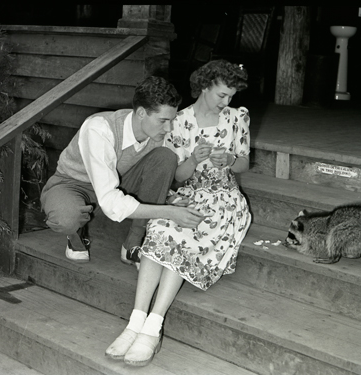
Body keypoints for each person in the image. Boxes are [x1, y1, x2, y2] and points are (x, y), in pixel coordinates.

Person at [105, 60, 252, 367]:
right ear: (205, 86)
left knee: (185, 236)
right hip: (190, 191)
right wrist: (193, 161)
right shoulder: (180, 121)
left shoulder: (238, 118)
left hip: (224, 198)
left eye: (231, 96)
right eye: (222, 95)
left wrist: (228, 160)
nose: (227, 102)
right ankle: (135, 322)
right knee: (162, 229)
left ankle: (152, 328)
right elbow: (180, 176)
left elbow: (244, 165)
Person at [40, 76, 207, 263]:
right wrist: (167, 211)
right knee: (65, 218)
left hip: (119, 181)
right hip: (73, 184)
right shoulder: (100, 128)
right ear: (142, 113)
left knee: (166, 157)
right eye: (162, 120)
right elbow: (110, 201)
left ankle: (133, 243)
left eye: (172, 120)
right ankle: (76, 232)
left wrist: (169, 194)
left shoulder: (158, 133)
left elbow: (163, 171)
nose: (168, 128)